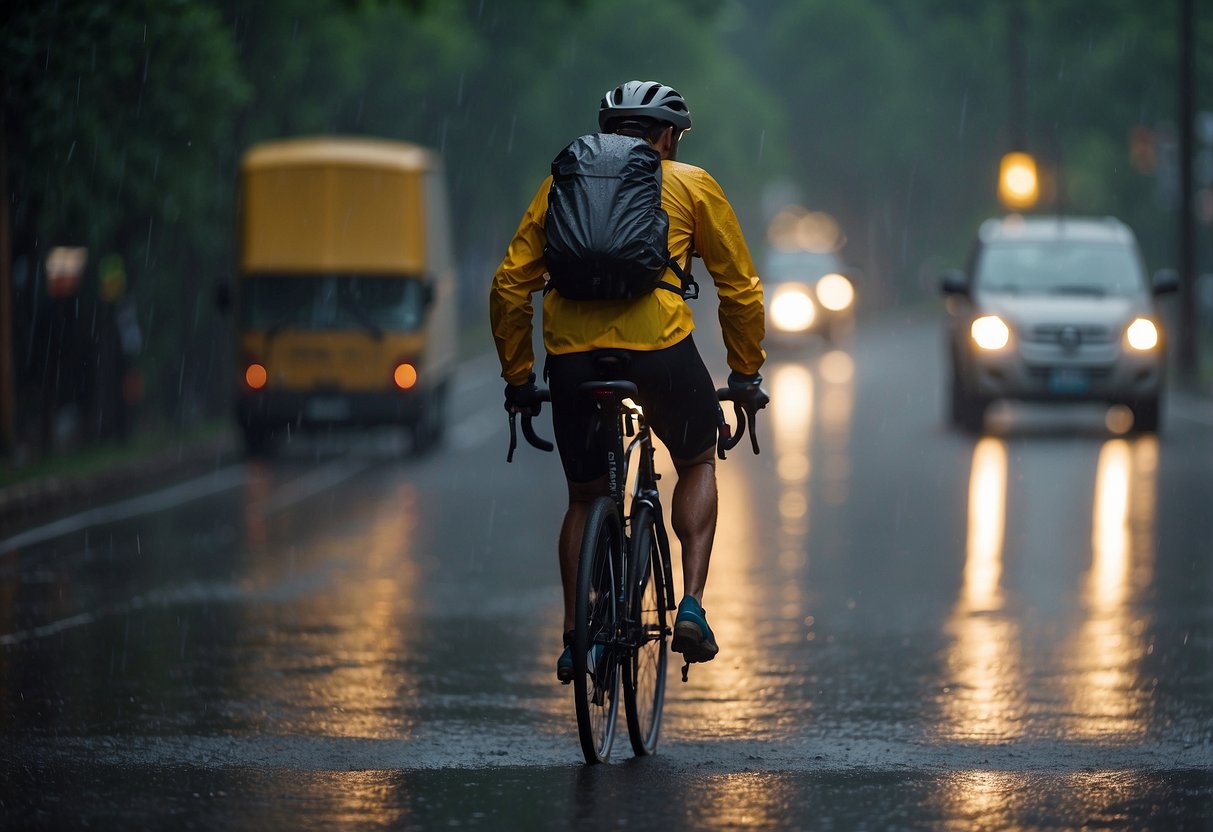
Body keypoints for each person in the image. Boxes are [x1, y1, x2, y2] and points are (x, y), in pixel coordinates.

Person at [489, 79, 767, 682]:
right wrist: (745, 374)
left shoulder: (558, 186)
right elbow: (739, 286)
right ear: (668, 136)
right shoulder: (692, 184)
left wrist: (520, 378)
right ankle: (690, 604)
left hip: (573, 360)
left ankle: (575, 634)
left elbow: (510, 284)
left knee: (586, 497)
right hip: (659, 352)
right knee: (696, 459)